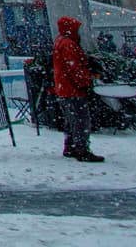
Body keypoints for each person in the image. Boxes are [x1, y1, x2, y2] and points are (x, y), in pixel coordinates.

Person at [51, 16, 104, 162]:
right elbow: (75, 68)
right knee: (81, 120)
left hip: (64, 88)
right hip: (72, 89)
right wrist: (87, 80)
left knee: (71, 119)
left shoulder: (60, 42)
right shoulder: (69, 44)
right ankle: (81, 149)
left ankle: (71, 146)